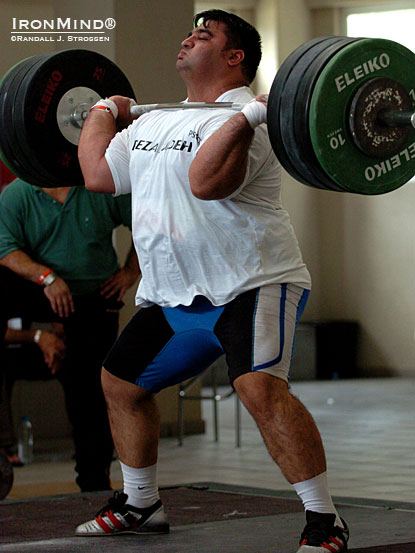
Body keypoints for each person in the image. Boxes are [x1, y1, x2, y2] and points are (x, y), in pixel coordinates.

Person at [74, 9, 349, 552]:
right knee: (120, 385)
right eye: (188, 32)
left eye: (203, 36)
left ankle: (324, 520)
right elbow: (98, 175)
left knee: (259, 390)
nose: (186, 39)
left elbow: (206, 185)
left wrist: (248, 117)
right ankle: (140, 502)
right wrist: (105, 109)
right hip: (175, 293)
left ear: (234, 57)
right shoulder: (151, 122)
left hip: (252, 283)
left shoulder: (257, 123)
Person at [0, 180, 140, 491]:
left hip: (91, 300)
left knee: (91, 394)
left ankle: (95, 485)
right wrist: (46, 278)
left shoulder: (100, 187)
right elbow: (5, 248)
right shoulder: (17, 195)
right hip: (40, 292)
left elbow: (150, 223)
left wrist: (131, 271)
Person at [0, 322, 66, 467]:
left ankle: (92, 446)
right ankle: (4, 446)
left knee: (77, 357)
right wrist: (38, 336)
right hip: (10, 351)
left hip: (39, 348)